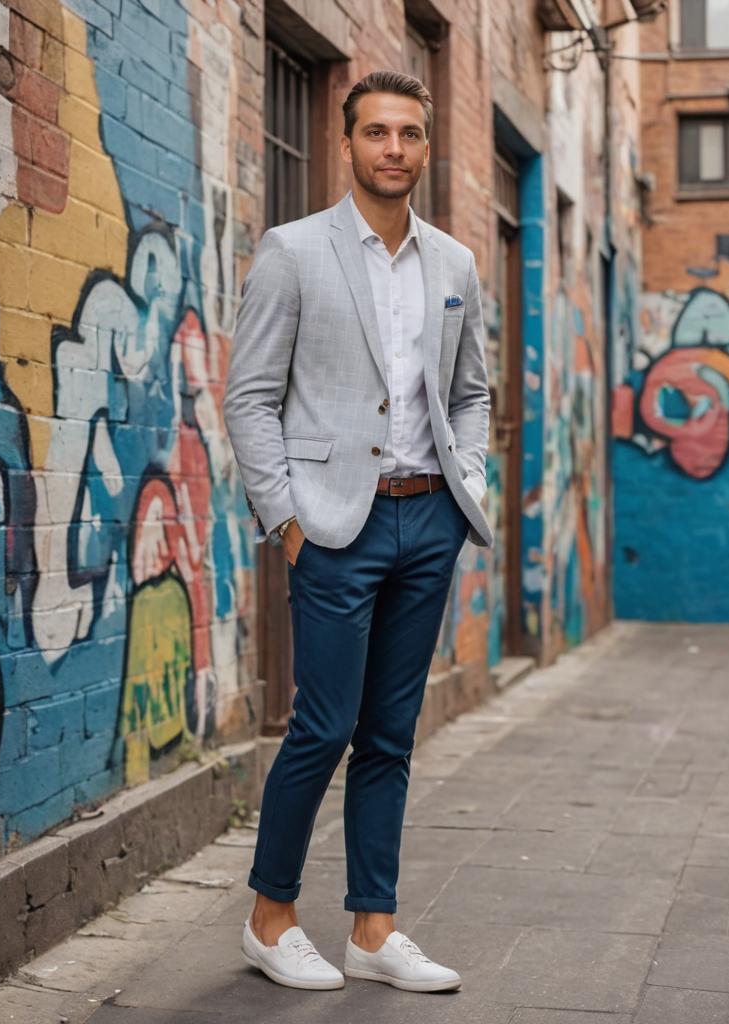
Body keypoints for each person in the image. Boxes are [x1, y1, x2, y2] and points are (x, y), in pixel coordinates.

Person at [223, 69, 493, 994]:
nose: (393, 149)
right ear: (347, 144)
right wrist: (287, 522)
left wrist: (471, 488)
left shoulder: (455, 263)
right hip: (335, 526)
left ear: (425, 147)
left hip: (429, 520)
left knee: (392, 732)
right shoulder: (294, 252)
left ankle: (374, 930)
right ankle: (270, 917)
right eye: (376, 132)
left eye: (409, 134)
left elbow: (470, 392)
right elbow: (250, 397)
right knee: (323, 725)